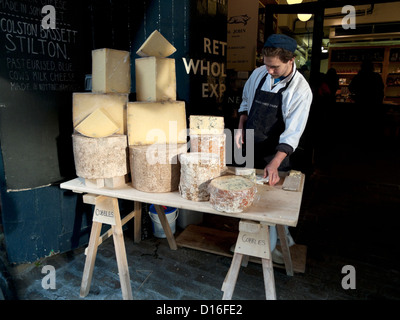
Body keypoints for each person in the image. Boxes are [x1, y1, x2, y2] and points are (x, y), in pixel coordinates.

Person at [234, 33, 313, 263]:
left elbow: (293, 132)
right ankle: (250, 241)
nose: (269, 71)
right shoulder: (260, 73)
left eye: (274, 67)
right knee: (246, 198)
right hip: (250, 146)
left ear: (290, 61)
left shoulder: (300, 91)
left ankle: (262, 250)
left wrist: (275, 162)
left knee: (269, 205)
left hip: (275, 155)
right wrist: (240, 125)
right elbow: (246, 102)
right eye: (266, 65)